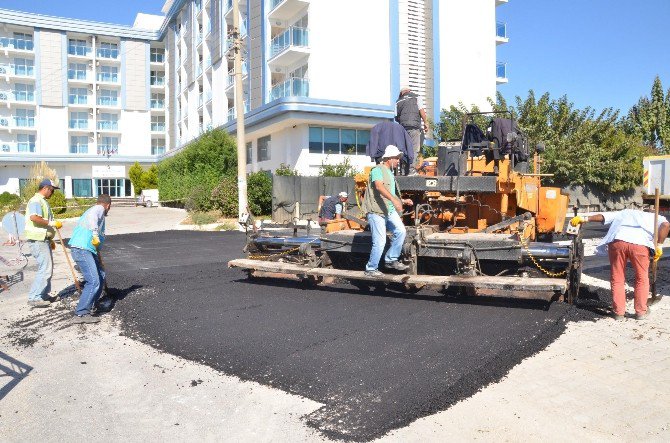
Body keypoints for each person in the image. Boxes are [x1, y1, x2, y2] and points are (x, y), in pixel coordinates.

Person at [571, 209, 669, 320]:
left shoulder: (625, 212)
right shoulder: (654, 216)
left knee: (617, 277)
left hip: (618, 242)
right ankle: (641, 312)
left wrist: (583, 219)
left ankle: (618, 313)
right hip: (640, 245)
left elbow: (603, 216)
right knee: (642, 278)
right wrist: (659, 246)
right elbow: (666, 225)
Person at [362, 145, 414, 277]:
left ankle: (391, 259)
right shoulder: (377, 170)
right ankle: (371, 269)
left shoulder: (390, 173)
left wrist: (402, 201)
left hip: (388, 210)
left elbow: (389, 193)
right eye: (396, 158)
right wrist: (394, 200)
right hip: (376, 211)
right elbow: (379, 187)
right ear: (389, 158)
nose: (398, 161)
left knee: (401, 231)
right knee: (380, 241)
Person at [68, 194, 112, 324]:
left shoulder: (97, 211)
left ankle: (92, 304)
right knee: (93, 281)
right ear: (108, 205)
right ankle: (81, 313)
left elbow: (97, 237)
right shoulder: (99, 209)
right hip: (82, 249)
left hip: (88, 249)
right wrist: (94, 233)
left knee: (100, 275)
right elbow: (94, 216)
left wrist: (97, 246)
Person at [24, 179, 62, 308]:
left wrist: (50, 238)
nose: (52, 193)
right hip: (37, 239)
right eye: (52, 190)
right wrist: (51, 223)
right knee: (45, 269)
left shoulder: (42, 201)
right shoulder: (36, 200)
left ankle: (44, 294)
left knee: (48, 268)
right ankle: (34, 297)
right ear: (46, 188)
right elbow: (34, 217)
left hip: (43, 239)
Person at [395, 86, 429, 175]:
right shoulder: (416, 97)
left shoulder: (398, 101)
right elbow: (421, 110)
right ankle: (411, 170)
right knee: (414, 149)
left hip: (403, 128)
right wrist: (426, 123)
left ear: (402, 93)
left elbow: (396, 117)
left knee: (404, 149)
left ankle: (403, 171)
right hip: (414, 127)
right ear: (409, 90)